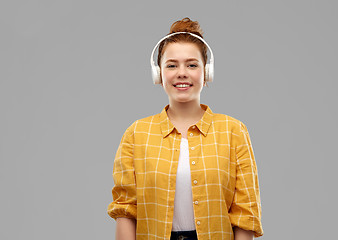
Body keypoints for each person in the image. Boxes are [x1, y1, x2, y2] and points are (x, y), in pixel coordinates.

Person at [107, 17, 264, 240]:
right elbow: (125, 210)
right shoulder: (136, 134)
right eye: (171, 65)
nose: (182, 73)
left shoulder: (233, 132)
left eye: (192, 64)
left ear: (206, 72)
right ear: (158, 74)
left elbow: (245, 214)